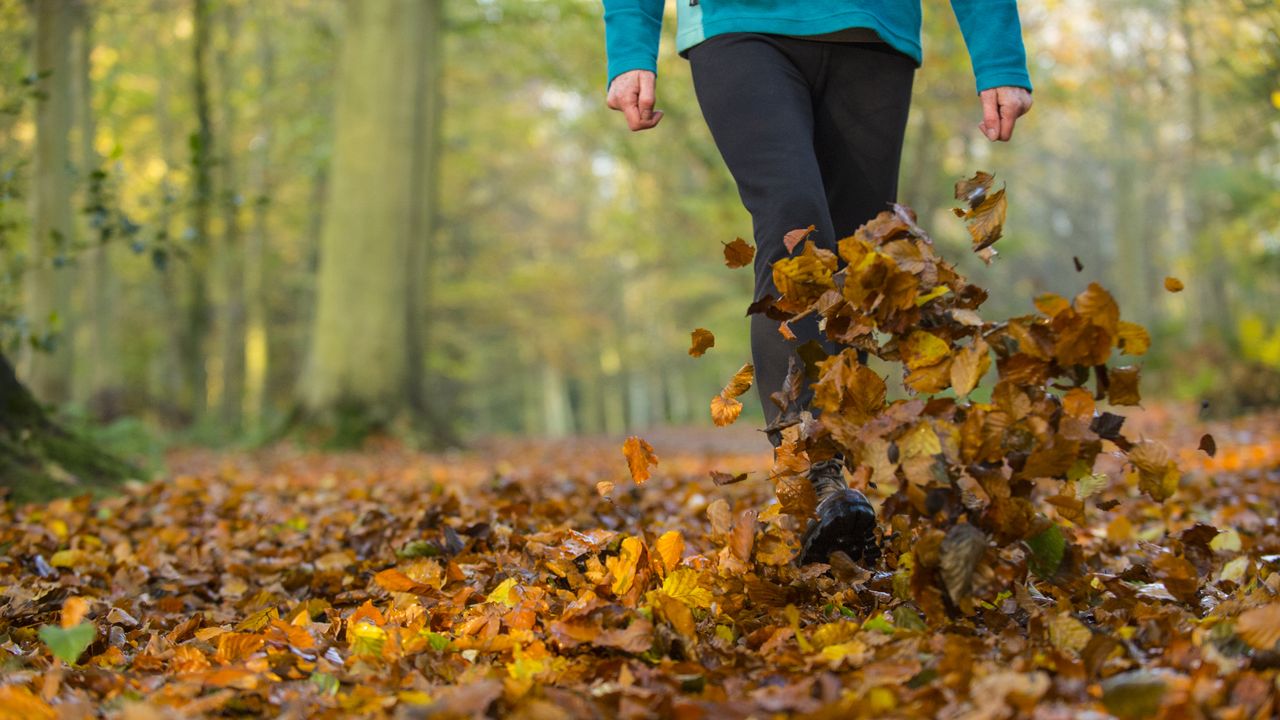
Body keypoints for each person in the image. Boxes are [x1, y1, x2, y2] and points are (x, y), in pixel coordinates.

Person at [602, 1, 1032, 565]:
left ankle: (839, 492)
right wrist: (632, 46)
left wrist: (998, 56)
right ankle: (813, 476)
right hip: (743, 27)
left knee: (855, 263)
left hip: (874, 31)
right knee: (795, 234)